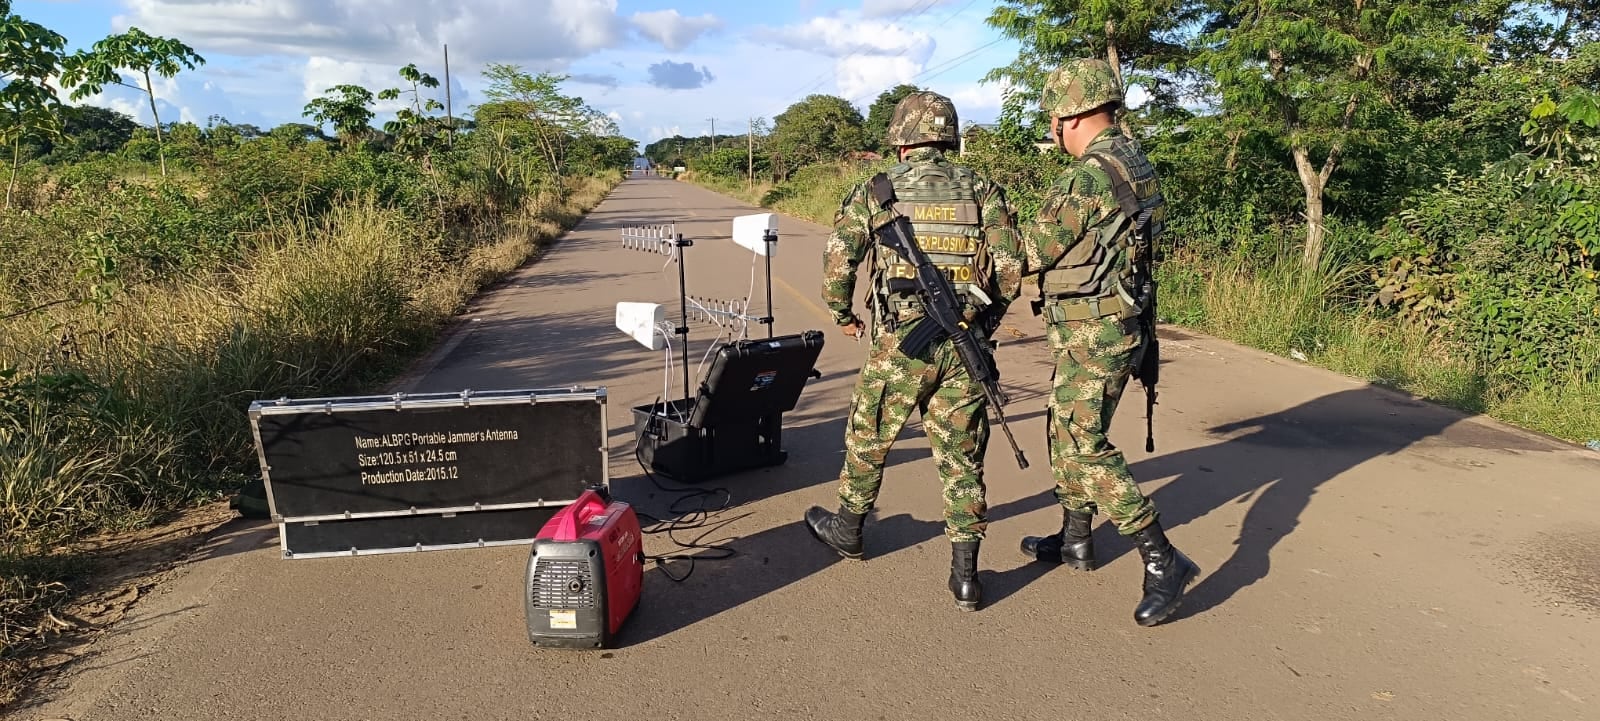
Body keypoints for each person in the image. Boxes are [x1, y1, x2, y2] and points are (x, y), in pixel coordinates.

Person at [803, 90, 1026, 611]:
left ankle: (849, 529)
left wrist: (843, 315)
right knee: (962, 455)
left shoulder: (875, 191)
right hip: (965, 343)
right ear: (949, 136)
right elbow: (1012, 272)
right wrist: (980, 320)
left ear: (901, 140)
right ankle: (966, 574)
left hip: (902, 342)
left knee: (868, 435)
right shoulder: (984, 190)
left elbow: (839, 264)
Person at [1016, 58, 1199, 627]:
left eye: (1052, 115)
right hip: (1117, 323)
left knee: (1083, 441)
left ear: (1067, 116)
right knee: (1062, 425)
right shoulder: (1135, 161)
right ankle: (1076, 539)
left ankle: (1162, 557)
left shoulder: (1088, 176)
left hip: (1096, 331)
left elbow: (1028, 252)